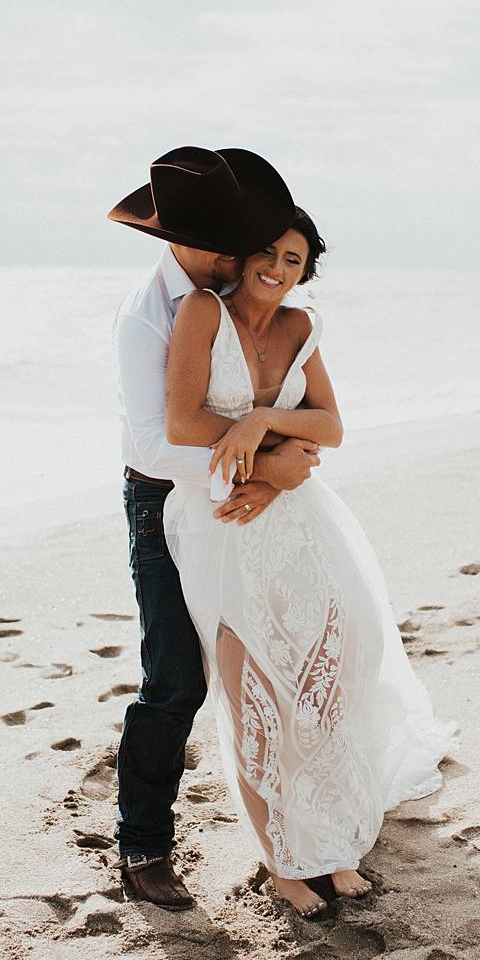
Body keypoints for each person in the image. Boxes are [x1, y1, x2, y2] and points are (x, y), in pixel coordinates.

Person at [163, 208, 457, 917]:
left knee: (327, 676)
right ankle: (283, 863)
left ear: (305, 269)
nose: (277, 269)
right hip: (223, 520)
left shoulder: (301, 325)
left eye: (293, 260)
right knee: (254, 689)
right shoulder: (203, 310)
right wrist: (265, 462)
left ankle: (323, 843)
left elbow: (330, 425)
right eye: (267, 253)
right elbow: (181, 422)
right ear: (243, 255)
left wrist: (266, 425)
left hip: (299, 517)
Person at [109, 146, 319, 906]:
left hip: (239, 498)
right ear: (179, 240)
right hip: (162, 499)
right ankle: (142, 848)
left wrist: (279, 444)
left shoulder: (232, 291)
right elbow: (154, 443)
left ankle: (301, 829)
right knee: (175, 679)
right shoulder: (145, 317)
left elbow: (272, 378)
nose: (239, 254)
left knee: (270, 661)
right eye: (223, 241)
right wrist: (268, 464)